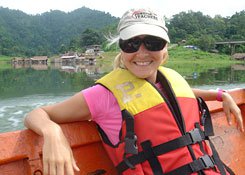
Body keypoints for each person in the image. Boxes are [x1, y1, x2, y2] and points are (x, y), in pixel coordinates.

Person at [24, 8, 244, 175]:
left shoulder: (170, 80)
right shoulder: (103, 96)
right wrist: (53, 133)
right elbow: (37, 114)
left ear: (165, 48)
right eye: (131, 43)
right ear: (121, 47)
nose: (141, 53)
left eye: (153, 43)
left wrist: (220, 94)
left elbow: (180, 95)